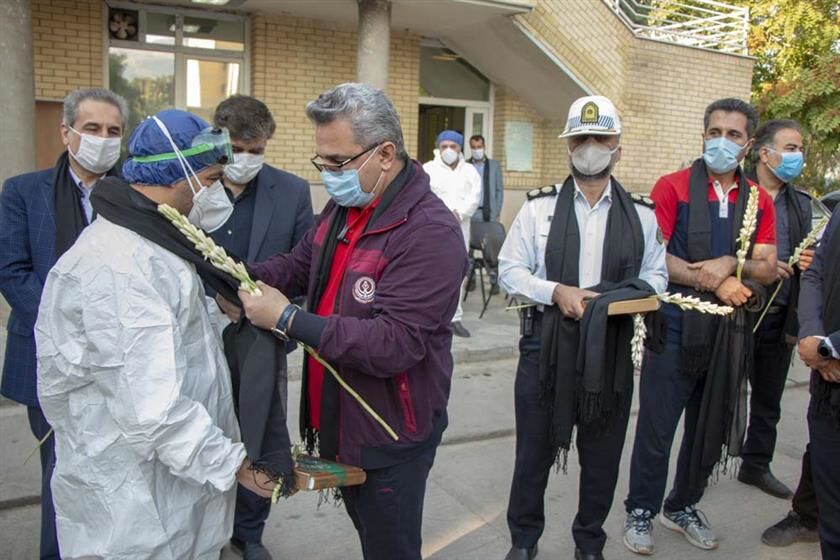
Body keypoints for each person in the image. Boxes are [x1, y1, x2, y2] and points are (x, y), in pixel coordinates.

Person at [234, 82, 467, 560]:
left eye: (338, 163)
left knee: (390, 548)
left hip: (391, 432)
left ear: (385, 154)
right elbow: (299, 264)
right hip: (342, 418)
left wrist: (287, 319)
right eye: (322, 162)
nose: (329, 175)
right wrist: (235, 275)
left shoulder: (430, 232)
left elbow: (394, 343)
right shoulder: (346, 205)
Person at [35, 109, 273, 560]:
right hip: (135, 508)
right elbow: (153, 411)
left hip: (173, 492)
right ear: (179, 175)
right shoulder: (122, 264)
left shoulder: (153, 242)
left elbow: (172, 345)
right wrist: (238, 466)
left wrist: (224, 314)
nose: (216, 191)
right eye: (210, 177)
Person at [499, 95, 668, 560]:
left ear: (618, 147)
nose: (590, 146)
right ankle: (524, 541)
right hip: (544, 348)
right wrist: (557, 291)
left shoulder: (642, 214)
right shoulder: (538, 209)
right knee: (531, 456)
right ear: (568, 145)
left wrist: (611, 301)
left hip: (608, 351)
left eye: (601, 138)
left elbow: (656, 277)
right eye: (582, 138)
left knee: (603, 457)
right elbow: (508, 270)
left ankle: (589, 542)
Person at [623, 98, 778, 555]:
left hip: (728, 336)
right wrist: (715, 280)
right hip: (672, 326)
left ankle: (683, 504)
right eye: (714, 132)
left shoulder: (758, 199)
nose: (722, 142)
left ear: (748, 145)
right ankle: (641, 510)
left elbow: (768, 267)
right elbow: (659, 258)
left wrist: (734, 263)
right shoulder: (673, 187)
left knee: (708, 427)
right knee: (657, 427)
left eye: (733, 135)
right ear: (702, 135)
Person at [0, 87, 126, 560]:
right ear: (66, 132)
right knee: (60, 470)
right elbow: (11, 271)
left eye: (113, 131)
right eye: (92, 128)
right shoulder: (22, 191)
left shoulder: (129, 194)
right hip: (47, 356)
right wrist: (68, 329)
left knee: (113, 470)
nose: (102, 139)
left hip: (115, 358)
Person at [211, 94, 314, 560]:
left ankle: (248, 533)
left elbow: (305, 269)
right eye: (238, 148)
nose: (247, 159)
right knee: (205, 432)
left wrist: (278, 318)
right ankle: (204, 528)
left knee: (260, 433)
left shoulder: (291, 192)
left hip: (263, 339)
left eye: (258, 150)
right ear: (219, 141)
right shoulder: (195, 186)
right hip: (202, 333)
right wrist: (212, 300)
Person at [739, 119, 812, 500]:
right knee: (719, 395)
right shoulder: (738, 195)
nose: (797, 156)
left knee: (768, 400)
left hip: (782, 313)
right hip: (738, 310)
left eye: (799, 149)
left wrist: (807, 259)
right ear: (764, 153)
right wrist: (763, 265)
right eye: (790, 147)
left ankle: (755, 465)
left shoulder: (800, 203)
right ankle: (700, 467)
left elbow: (812, 260)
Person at [797, 205, 840, 559]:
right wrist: (812, 335)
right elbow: (815, 272)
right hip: (829, 390)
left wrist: (830, 347)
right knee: (833, 519)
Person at [424, 130, 481, 338]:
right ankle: (430, 315)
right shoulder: (428, 169)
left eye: (453, 147)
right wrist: (441, 214)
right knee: (431, 270)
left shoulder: (470, 172)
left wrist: (460, 213)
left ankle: (455, 317)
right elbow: (424, 195)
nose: (448, 151)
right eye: (444, 146)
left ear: (460, 149)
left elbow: (475, 197)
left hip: (460, 227)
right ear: (438, 148)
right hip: (434, 228)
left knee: (458, 271)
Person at [467, 134, 504, 295]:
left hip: (488, 212)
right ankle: (470, 278)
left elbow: (499, 190)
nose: (477, 150)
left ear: (484, 147)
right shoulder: (466, 166)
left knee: (491, 247)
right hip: (470, 213)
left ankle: (494, 280)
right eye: (474, 147)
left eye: (479, 147)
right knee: (467, 248)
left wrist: (496, 212)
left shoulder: (494, 166)